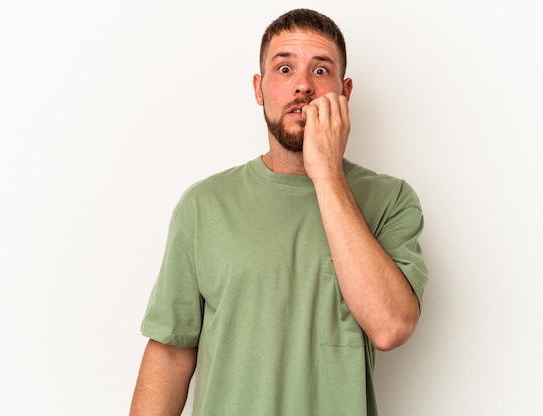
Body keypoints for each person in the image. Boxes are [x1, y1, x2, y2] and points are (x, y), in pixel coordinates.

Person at [130, 8, 428, 416]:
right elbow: (170, 354)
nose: (302, 85)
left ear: (345, 92)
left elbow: (391, 327)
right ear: (259, 88)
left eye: (321, 71)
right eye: (284, 68)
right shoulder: (204, 206)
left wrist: (325, 174)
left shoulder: (390, 200)